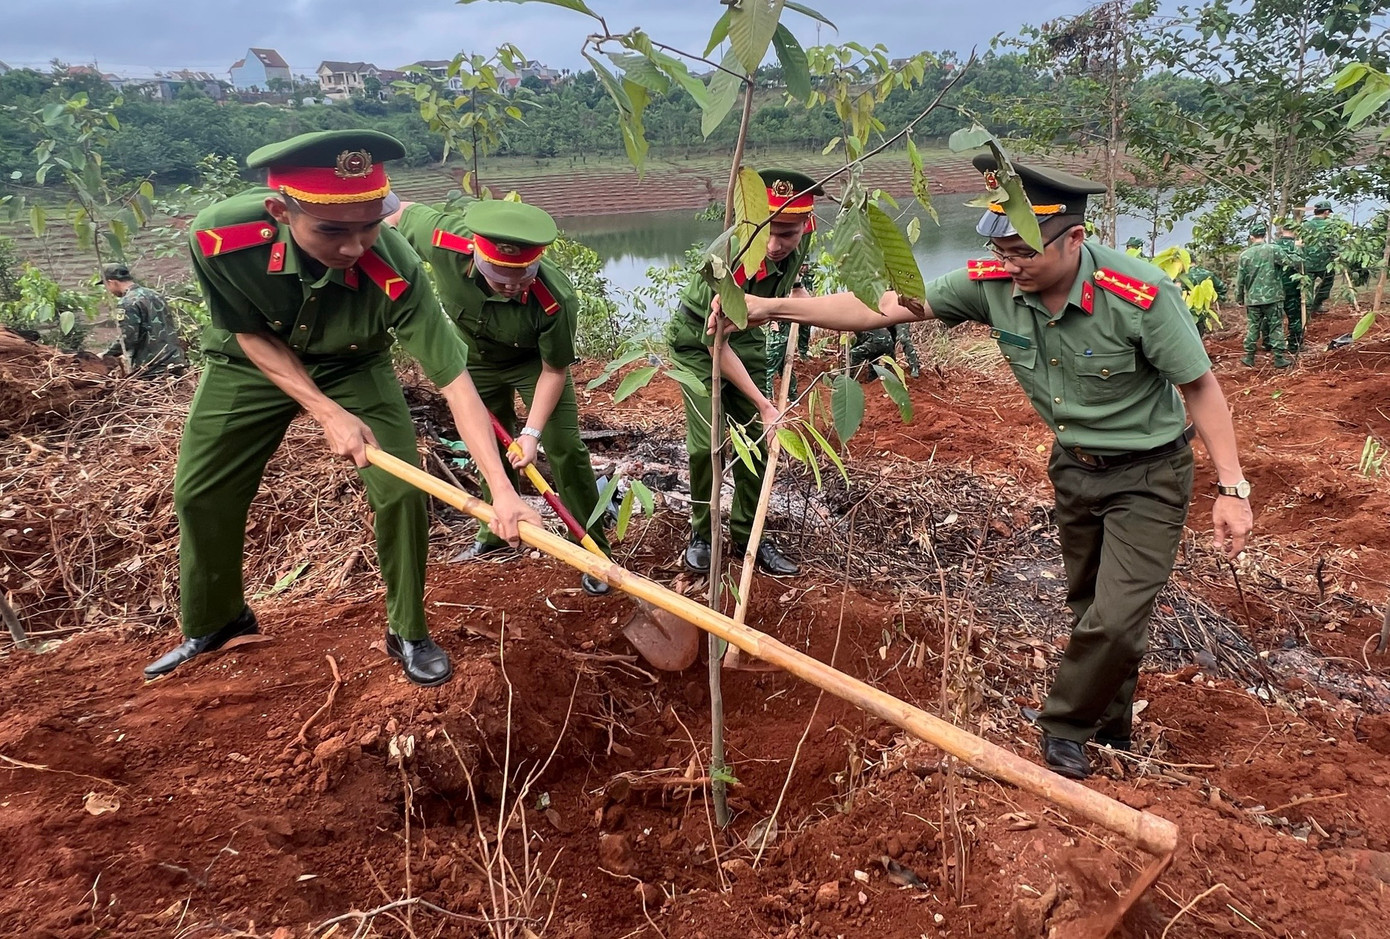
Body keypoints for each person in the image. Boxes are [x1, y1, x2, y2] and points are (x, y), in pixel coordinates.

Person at [717, 155, 1254, 780]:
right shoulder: (993, 283)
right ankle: (1111, 725)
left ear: (1074, 239)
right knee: (1092, 607)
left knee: (1116, 614)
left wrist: (1231, 486)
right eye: (1000, 249)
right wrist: (766, 308)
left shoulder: (1138, 294)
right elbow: (878, 308)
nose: (1010, 264)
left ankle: (1063, 728)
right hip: (1074, 468)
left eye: (1024, 251)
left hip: (1150, 474)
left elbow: (1200, 386)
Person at [145, 129, 541, 686]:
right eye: (331, 230)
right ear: (281, 211)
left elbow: (456, 384)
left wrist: (502, 491)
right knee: (200, 491)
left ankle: (407, 629)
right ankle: (218, 620)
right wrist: (327, 413)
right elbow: (247, 333)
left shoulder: (395, 268)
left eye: (369, 224)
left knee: (401, 490)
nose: (355, 247)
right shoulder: (220, 238)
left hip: (356, 364)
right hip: (251, 361)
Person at [387, 196, 612, 596]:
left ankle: (591, 545)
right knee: (488, 443)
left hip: (534, 365)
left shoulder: (556, 299)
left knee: (564, 447)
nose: (511, 286)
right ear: (476, 255)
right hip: (474, 360)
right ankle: (495, 534)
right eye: (499, 276)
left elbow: (554, 371)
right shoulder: (444, 241)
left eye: (522, 276)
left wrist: (532, 433)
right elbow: (394, 213)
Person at [667, 169, 822, 579]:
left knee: (755, 441)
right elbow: (715, 346)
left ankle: (748, 534)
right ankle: (702, 534)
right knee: (708, 443)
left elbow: (794, 275)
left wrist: (797, 296)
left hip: (747, 333)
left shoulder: (803, 236)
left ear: (805, 224)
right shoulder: (731, 261)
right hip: (700, 341)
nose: (774, 245)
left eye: (787, 235)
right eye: (767, 232)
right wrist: (765, 403)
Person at [99, 264, 187, 377]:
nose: (109, 290)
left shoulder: (127, 302)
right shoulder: (156, 295)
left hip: (152, 366)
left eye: (106, 286)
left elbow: (128, 338)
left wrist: (106, 354)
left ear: (111, 282)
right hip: (175, 360)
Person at [1235, 223, 1292, 368]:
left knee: (1253, 327)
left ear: (1251, 237)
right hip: (1273, 297)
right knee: (1276, 326)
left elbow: (1240, 280)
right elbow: (1288, 262)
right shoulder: (1273, 249)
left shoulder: (1244, 255)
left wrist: (1239, 298)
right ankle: (1279, 358)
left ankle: (1249, 357)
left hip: (1253, 299)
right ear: (1265, 235)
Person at [1273, 220, 1306, 354]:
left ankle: (1269, 343)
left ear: (1282, 230)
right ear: (1296, 231)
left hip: (1275, 289)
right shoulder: (1297, 247)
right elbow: (1303, 263)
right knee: (1295, 318)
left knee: (1273, 318)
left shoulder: (1274, 246)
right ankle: (1294, 344)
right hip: (1292, 288)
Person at [1300, 200, 1338, 314]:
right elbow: (1334, 244)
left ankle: (1307, 311)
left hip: (1308, 262)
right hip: (1325, 263)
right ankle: (1317, 304)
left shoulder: (1305, 225)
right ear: (1326, 212)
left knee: (1307, 287)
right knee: (1328, 282)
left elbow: (1300, 242)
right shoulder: (1330, 226)